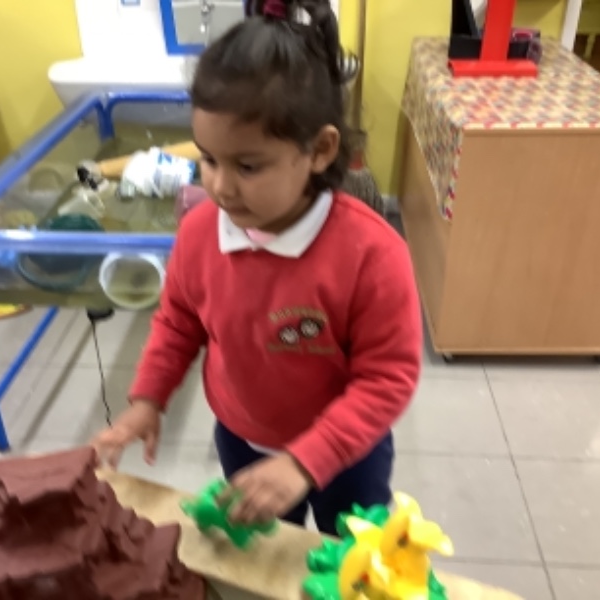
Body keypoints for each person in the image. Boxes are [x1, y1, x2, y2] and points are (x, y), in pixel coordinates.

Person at [92, 0, 422, 535]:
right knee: (265, 552)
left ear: (320, 150)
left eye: (247, 166)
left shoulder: (372, 255)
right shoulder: (199, 232)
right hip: (243, 441)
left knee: (349, 556)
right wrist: (147, 400)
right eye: (208, 158)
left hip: (347, 454)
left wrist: (305, 460)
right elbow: (179, 322)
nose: (220, 186)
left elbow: (387, 378)